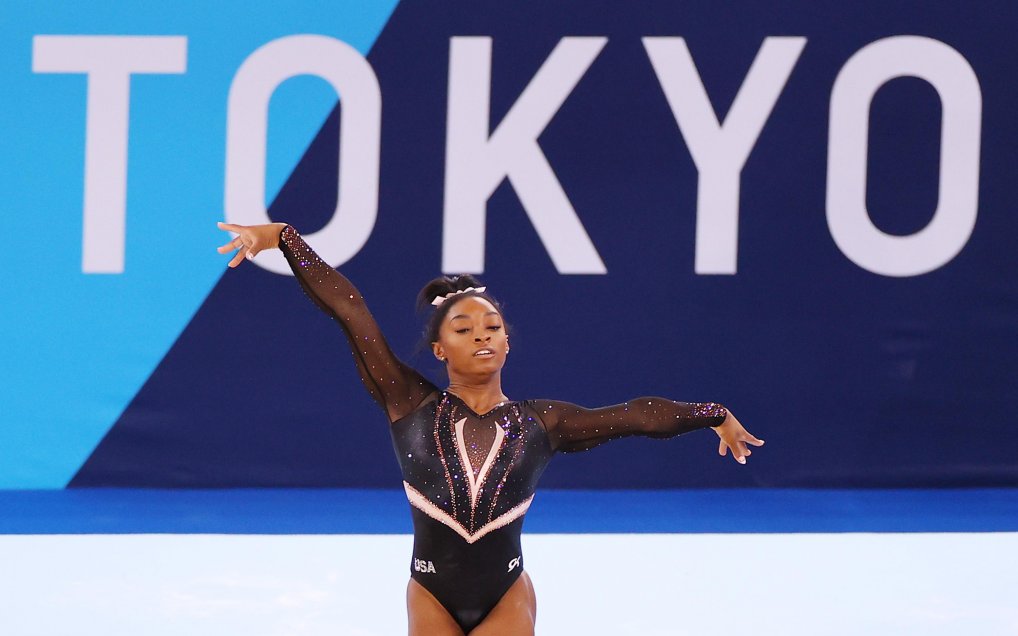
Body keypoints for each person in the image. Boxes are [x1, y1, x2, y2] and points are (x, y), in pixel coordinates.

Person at [216, 221, 764, 636]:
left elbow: (636, 415)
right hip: (431, 592)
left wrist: (713, 413)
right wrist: (284, 238)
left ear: (506, 342)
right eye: (463, 328)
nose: (481, 335)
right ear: (439, 349)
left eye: (492, 326)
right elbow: (350, 310)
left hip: (506, 594)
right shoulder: (407, 401)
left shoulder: (542, 422)